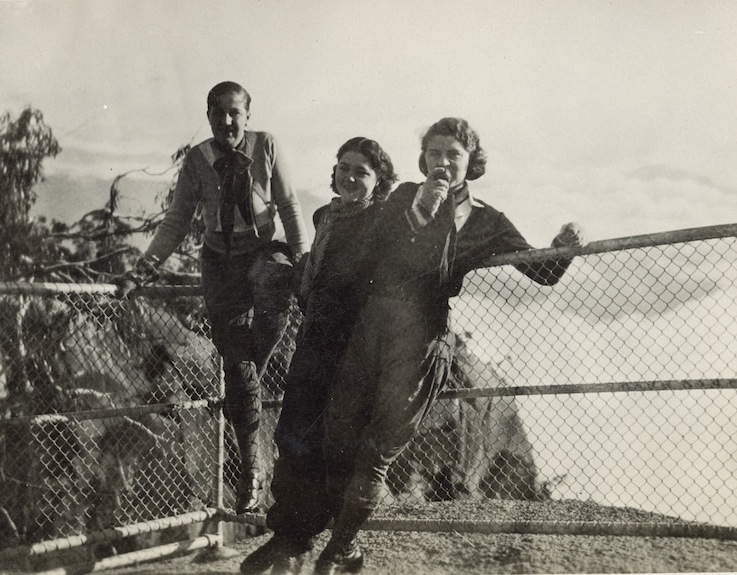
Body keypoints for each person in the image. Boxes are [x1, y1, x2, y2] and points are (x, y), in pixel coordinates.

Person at [312, 117, 586, 575]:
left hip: (421, 341)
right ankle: (348, 545)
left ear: (470, 162)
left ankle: (339, 549)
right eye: (434, 153)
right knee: (338, 439)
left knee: (379, 449)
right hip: (370, 329)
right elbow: (370, 252)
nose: (442, 162)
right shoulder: (402, 198)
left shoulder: (486, 221)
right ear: (423, 158)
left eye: (453, 155)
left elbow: (543, 273)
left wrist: (565, 246)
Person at [118, 81, 309, 514]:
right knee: (240, 369)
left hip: (263, 253)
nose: (226, 121)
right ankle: (251, 469)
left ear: (247, 115)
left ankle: (244, 385)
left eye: (234, 112)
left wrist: (303, 261)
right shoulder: (197, 159)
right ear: (208, 116)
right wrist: (141, 272)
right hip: (220, 265)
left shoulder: (267, 146)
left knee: (273, 286)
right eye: (217, 113)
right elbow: (175, 223)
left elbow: (290, 205)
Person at [239, 137, 397, 575]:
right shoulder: (324, 215)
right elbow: (312, 273)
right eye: (343, 166)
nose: (349, 176)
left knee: (339, 447)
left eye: (361, 171)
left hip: (353, 350)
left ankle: (342, 547)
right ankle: (289, 537)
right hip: (312, 343)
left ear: (379, 180)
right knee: (293, 436)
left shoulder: (383, 221)